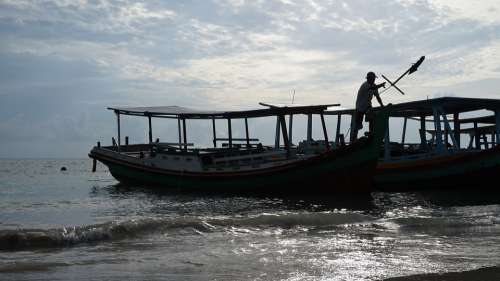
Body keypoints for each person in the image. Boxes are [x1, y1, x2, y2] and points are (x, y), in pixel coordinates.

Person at [351, 71, 385, 142]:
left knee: (372, 118)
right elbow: (372, 88)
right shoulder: (365, 85)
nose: (373, 80)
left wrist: (382, 105)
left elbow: (377, 97)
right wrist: (381, 85)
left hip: (368, 106)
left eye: (374, 79)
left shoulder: (374, 86)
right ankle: (353, 140)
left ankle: (371, 134)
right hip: (360, 107)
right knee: (357, 125)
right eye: (372, 79)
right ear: (368, 79)